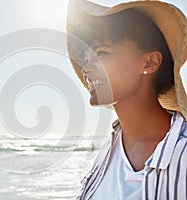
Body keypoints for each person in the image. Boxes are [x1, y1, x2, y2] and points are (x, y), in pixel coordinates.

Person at [66, 0, 187, 199]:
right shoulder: (108, 151)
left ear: (150, 62)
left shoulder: (183, 154)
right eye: (85, 59)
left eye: (102, 53)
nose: (86, 69)